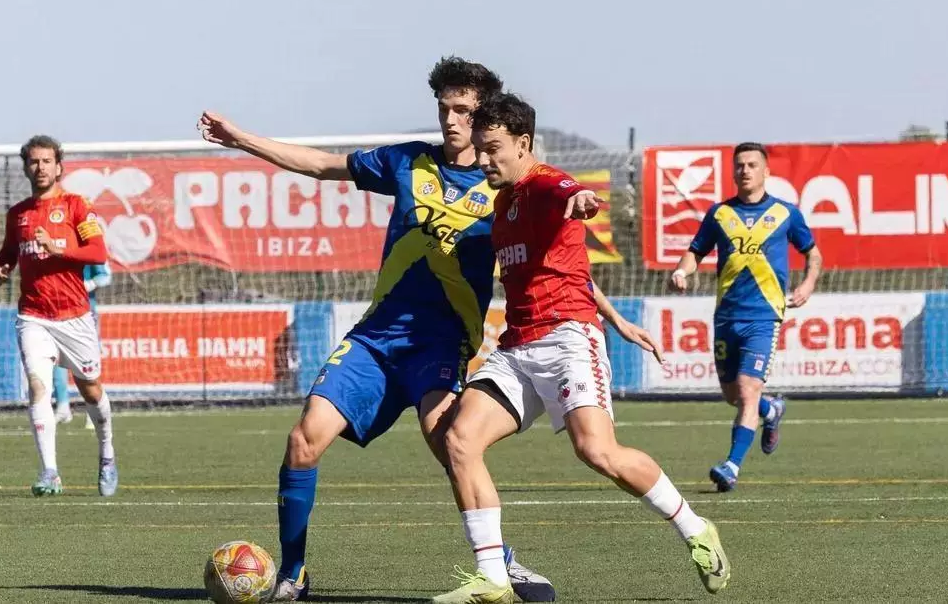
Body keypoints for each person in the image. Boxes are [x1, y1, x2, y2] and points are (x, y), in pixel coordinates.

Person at [197, 57, 557, 602]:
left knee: (451, 442)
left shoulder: (505, 186)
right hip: (376, 339)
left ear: (486, 115)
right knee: (303, 440)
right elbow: (322, 165)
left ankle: (502, 562)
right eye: (444, 108)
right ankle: (293, 575)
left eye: (463, 110)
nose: (451, 120)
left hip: (441, 345)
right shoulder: (407, 162)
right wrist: (241, 139)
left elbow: (551, 245)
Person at [434, 93, 729, 604]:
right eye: (479, 149)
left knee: (597, 451)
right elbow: (575, 271)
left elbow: (572, 193)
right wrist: (618, 319)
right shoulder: (503, 203)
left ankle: (696, 528)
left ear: (523, 143)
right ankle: (493, 578)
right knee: (459, 440)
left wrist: (583, 199)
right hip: (517, 347)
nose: (482, 160)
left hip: (566, 338)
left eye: (492, 148)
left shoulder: (548, 185)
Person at [669, 142, 822, 492]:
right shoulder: (720, 214)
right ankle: (772, 411)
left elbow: (813, 254)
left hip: (764, 317)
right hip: (726, 317)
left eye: (752, 165)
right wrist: (681, 271)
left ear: (766, 171)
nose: (745, 170)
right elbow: (695, 252)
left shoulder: (785, 213)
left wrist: (808, 284)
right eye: (739, 165)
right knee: (732, 395)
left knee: (748, 388)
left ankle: (731, 466)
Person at [0, 135, 119, 497]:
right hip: (34, 316)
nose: (41, 167)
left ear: (59, 167)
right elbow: (8, 254)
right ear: (26, 168)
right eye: (34, 161)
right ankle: (50, 471)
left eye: (47, 161)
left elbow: (97, 253)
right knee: (38, 387)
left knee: (91, 389)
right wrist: (0, 271)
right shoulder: (18, 214)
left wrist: (57, 247)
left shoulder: (77, 206)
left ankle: (107, 453)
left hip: (74, 316)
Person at [53, 261, 112, 426]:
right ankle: (62, 407)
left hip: (84, 312)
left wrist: (87, 284)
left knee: (87, 362)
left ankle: (94, 410)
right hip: (58, 311)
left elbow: (105, 276)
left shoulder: (87, 246)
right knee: (56, 358)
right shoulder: (52, 248)